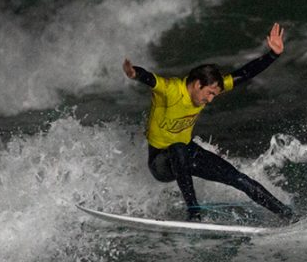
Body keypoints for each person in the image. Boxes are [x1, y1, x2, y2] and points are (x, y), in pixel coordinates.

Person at [123, 22, 294, 222]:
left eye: (215, 94)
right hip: (161, 162)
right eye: (209, 93)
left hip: (188, 153)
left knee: (237, 178)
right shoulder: (171, 90)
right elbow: (151, 79)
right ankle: (194, 212)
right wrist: (135, 73)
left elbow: (245, 73)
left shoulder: (210, 88)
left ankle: (287, 215)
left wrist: (273, 54)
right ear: (197, 84)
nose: (211, 99)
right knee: (177, 147)